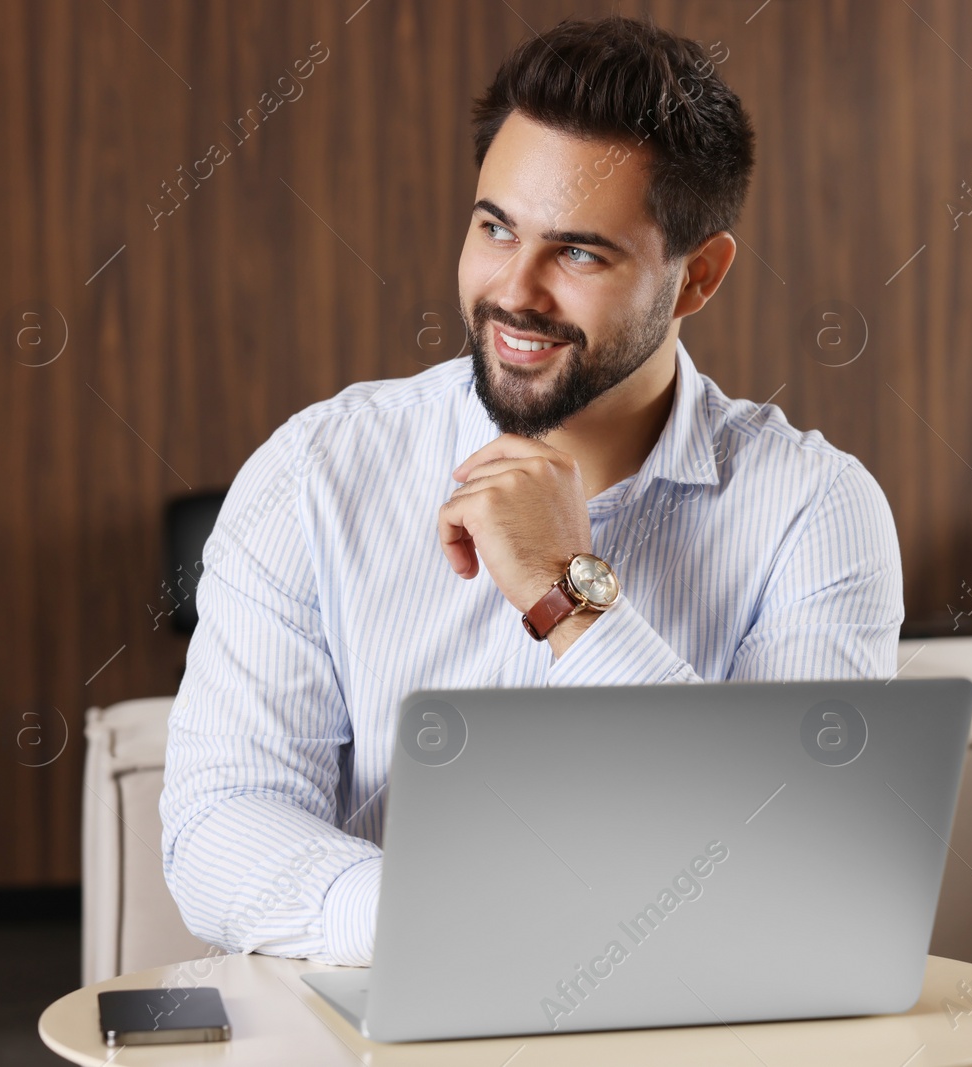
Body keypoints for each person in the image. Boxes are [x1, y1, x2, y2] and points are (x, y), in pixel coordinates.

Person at [160, 14, 902, 966]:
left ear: (697, 279)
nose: (515, 291)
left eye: (580, 253)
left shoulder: (816, 510)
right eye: (494, 228)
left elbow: (792, 863)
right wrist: (471, 926)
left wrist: (570, 590)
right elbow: (220, 829)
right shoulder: (317, 473)